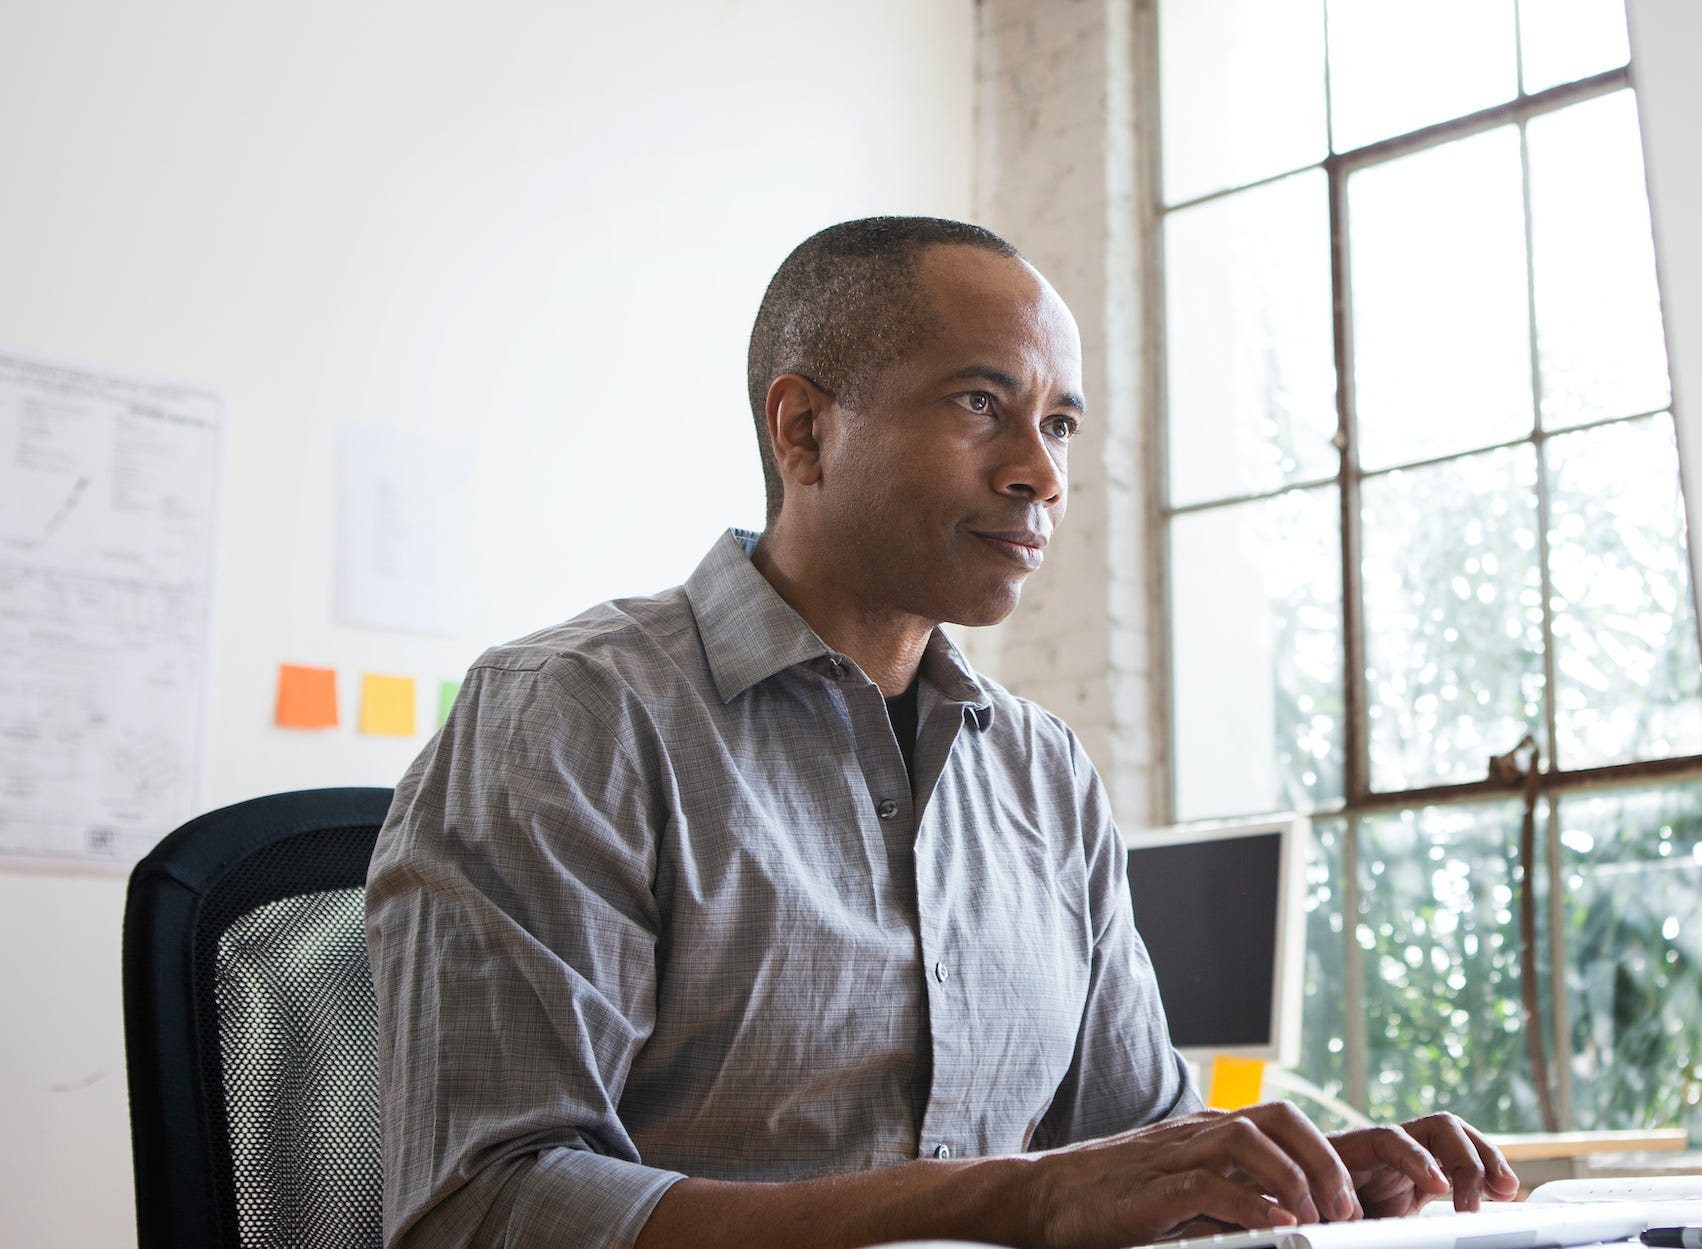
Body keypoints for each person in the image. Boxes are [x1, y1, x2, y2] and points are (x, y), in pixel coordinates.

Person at [365, 217, 1521, 1249]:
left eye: (1058, 423)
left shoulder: (1042, 772)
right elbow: (487, 1209)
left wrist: (1302, 1177)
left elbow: (1133, 1140)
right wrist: (1001, 1197)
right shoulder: (568, 716)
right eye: (982, 405)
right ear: (803, 428)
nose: (1040, 474)